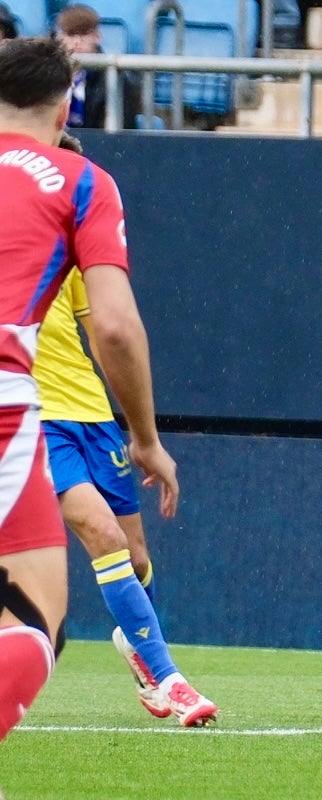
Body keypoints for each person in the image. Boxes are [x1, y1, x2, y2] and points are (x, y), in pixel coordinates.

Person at [0, 36, 176, 742]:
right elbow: (115, 327)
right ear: (68, 98)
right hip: (9, 398)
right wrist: (146, 438)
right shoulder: (79, 180)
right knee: (39, 621)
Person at [33, 256, 217, 727]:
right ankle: (170, 679)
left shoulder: (55, 248)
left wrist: (141, 433)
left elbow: (102, 337)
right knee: (104, 536)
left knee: (135, 558)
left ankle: (143, 661)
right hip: (35, 418)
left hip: (93, 415)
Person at [55, 5, 140, 130]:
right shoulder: (48, 76)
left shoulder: (115, 80)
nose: (77, 41)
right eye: (71, 34)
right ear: (61, 38)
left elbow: (122, 130)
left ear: (97, 37)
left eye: (84, 34)